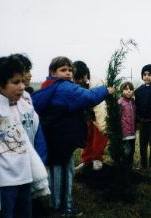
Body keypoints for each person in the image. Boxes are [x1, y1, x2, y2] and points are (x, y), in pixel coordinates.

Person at [32, 56, 114, 216]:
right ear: (52, 72)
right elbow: (88, 97)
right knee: (65, 173)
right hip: (64, 140)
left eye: (70, 70)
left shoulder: (47, 86)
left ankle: (54, 203)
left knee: (55, 172)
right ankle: (65, 207)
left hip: (53, 137)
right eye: (63, 70)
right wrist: (106, 90)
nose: (68, 73)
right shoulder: (63, 87)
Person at [0, 55, 49, 218]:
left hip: (24, 178)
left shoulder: (20, 105)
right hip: (5, 182)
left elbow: (21, 142)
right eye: (15, 82)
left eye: (23, 81)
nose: (22, 87)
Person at [73, 60, 108, 171]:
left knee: (98, 135)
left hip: (100, 110)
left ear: (85, 75)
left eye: (79, 79)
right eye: (75, 79)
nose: (77, 81)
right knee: (87, 136)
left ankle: (97, 158)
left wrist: (102, 126)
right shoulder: (75, 83)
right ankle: (87, 160)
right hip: (87, 112)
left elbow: (100, 106)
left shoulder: (96, 83)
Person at [135, 64, 151, 170]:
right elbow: (136, 106)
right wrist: (137, 121)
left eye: (149, 74)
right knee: (142, 145)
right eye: (144, 74)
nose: (147, 77)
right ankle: (143, 165)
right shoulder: (138, 90)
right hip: (142, 122)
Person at [118, 81, 136, 170]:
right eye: (126, 89)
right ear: (121, 91)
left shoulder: (132, 102)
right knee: (126, 152)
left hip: (132, 133)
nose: (129, 91)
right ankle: (125, 167)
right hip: (124, 133)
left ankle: (130, 167)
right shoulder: (120, 102)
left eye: (131, 89)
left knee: (132, 151)